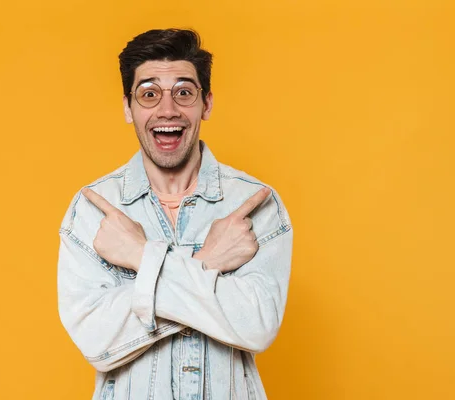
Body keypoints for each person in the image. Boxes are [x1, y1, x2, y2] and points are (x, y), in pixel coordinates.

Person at [57, 28, 293, 400]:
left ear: (207, 104)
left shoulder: (255, 203)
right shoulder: (93, 209)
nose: (168, 110)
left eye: (184, 92)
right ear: (127, 107)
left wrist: (140, 258)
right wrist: (207, 261)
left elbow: (257, 326)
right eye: (149, 94)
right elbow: (95, 340)